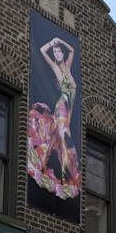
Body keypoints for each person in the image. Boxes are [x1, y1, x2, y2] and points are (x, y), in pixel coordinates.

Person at [28, 37, 81, 199]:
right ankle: (64, 177)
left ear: (63, 54)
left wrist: (61, 42)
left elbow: (72, 50)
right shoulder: (57, 68)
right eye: (55, 52)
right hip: (62, 105)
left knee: (60, 140)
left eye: (59, 51)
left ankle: (47, 168)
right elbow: (42, 51)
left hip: (67, 109)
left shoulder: (68, 67)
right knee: (64, 142)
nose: (57, 53)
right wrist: (52, 43)